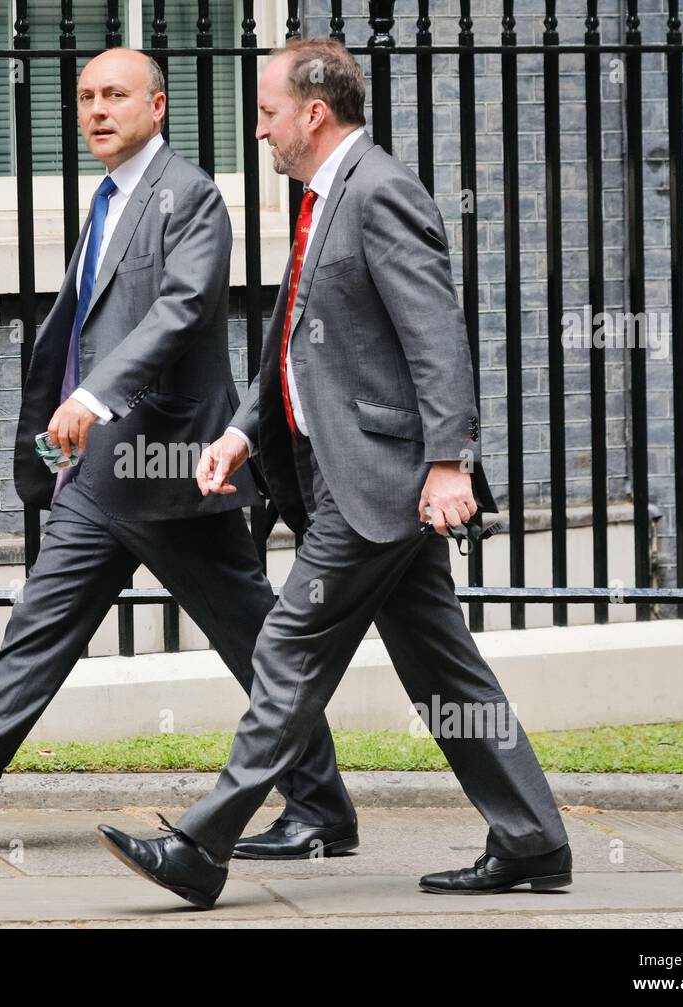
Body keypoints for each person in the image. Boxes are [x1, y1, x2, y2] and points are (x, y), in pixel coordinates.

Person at [95, 38, 572, 909]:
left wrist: (446, 465)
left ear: (315, 113)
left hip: (381, 482)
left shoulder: (380, 191)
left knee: (285, 649)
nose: (261, 131)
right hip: (344, 477)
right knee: (445, 670)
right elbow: (296, 347)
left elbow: (437, 342)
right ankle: (533, 839)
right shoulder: (323, 198)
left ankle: (202, 845)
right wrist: (242, 436)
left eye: (270, 113)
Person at [0, 47, 358, 859]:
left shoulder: (190, 197)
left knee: (255, 641)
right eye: (86, 96)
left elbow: (182, 312)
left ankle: (322, 812)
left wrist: (93, 397)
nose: (96, 109)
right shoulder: (107, 199)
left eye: (115, 95)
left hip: (173, 471)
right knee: (37, 627)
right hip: (99, 476)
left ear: (157, 107)